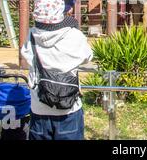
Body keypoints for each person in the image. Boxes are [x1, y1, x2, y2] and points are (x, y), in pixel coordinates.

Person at [21, 11, 93, 140]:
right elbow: (87, 56)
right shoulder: (74, 35)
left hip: (39, 107)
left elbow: (26, 54)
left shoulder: (32, 34)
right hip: (69, 108)